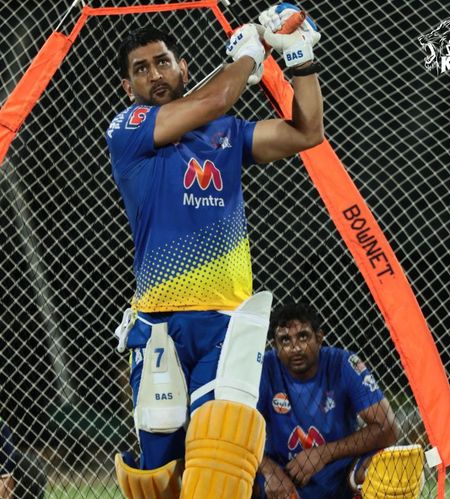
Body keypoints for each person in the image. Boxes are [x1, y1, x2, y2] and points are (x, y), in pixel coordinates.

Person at [105, 3, 323, 498]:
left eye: (163, 62)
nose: (154, 74)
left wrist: (301, 60)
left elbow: (307, 132)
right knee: (158, 480)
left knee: (221, 461)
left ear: (183, 68)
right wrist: (249, 56)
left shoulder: (227, 134)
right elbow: (216, 97)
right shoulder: (129, 130)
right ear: (128, 88)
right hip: (159, 325)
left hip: (226, 323)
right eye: (141, 69)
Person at [255, 303, 400, 499]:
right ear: (276, 346)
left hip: (341, 478)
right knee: (231, 468)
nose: (295, 347)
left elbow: (389, 428)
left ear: (319, 337)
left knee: (389, 468)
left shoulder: (343, 364)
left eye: (303, 337)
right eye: (285, 340)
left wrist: (323, 454)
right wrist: (268, 470)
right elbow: (234, 436)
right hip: (282, 480)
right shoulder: (264, 369)